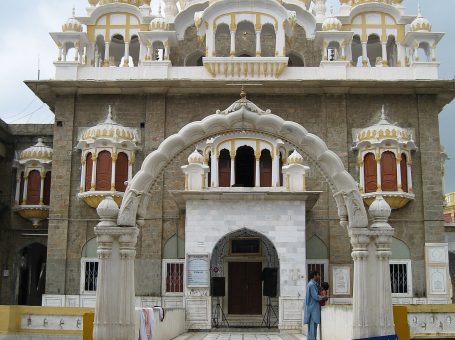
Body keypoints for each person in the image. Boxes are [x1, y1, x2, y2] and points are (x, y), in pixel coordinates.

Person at [304, 271, 327, 340]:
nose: (319, 277)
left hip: (313, 309)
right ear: (314, 276)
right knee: (312, 330)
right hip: (312, 310)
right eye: (318, 275)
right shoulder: (311, 285)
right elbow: (315, 297)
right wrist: (324, 297)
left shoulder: (314, 284)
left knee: (313, 330)